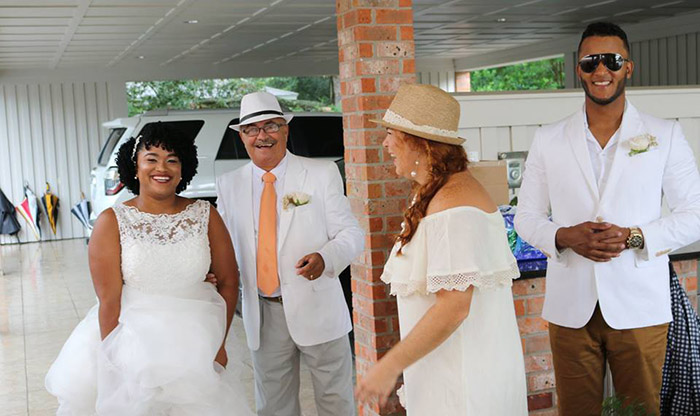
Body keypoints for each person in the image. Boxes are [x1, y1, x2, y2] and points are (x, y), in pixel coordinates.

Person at [514, 22, 700, 415]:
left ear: (628, 67)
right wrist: (564, 235)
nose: (602, 71)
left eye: (612, 61)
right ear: (578, 70)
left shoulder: (664, 135)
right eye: (590, 62)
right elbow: (526, 217)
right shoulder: (549, 138)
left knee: (641, 409)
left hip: (640, 305)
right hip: (570, 307)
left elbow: (694, 215)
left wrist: (634, 236)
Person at [45, 122, 253, 416]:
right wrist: (113, 362)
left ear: (184, 169)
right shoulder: (111, 221)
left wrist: (219, 344)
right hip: (133, 344)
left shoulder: (206, 215)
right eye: (151, 158)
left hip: (195, 344)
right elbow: (108, 301)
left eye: (172, 160)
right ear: (136, 165)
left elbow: (230, 282)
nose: (162, 168)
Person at [355, 84, 528, 415]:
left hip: (463, 384)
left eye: (392, 134)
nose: (386, 144)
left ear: (421, 144)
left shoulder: (453, 208)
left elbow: (453, 308)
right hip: (448, 374)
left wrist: (389, 366)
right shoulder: (439, 192)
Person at [215, 91, 364, 416]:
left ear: (286, 129)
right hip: (263, 313)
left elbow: (351, 235)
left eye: (270, 126)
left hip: (318, 306)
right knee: (274, 407)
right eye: (252, 129)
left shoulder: (320, 173)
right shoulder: (229, 184)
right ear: (242, 136)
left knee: (335, 403)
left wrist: (327, 258)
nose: (262, 136)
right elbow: (223, 246)